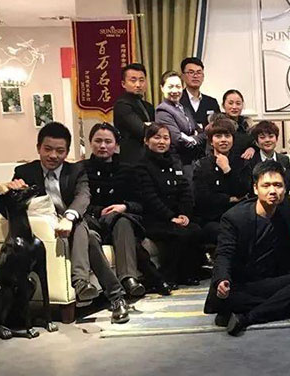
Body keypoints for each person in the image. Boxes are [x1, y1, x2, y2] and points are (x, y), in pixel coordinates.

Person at [8, 122, 129, 324]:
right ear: (38, 148)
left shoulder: (76, 171)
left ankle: (83, 283)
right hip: (47, 227)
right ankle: (113, 296)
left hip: (74, 222)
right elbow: (7, 207)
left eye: (60, 151)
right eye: (48, 149)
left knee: (79, 224)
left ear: (66, 152)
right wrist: (14, 191)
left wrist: (68, 218)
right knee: (89, 238)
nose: (53, 155)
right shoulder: (24, 172)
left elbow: (83, 196)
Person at [204, 161, 290, 336]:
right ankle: (285, 307)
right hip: (242, 284)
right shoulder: (234, 218)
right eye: (266, 185)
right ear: (256, 188)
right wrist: (222, 280)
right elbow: (224, 254)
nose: (273, 191)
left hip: (270, 282)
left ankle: (247, 317)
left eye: (278, 185)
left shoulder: (288, 210)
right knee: (229, 298)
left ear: (285, 189)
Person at [80, 123, 170, 298]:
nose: (103, 146)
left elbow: (140, 203)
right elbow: (78, 200)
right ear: (90, 143)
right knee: (122, 233)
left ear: (116, 145)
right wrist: (100, 211)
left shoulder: (128, 170)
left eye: (108, 141)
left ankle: (129, 279)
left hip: (122, 222)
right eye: (98, 141)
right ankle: (151, 279)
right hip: (93, 221)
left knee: (122, 221)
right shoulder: (81, 169)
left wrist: (125, 206)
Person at [137, 123, 204, 286]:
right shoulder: (141, 166)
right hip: (154, 219)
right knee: (177, 234)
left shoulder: (174, 162)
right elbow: (150, 198)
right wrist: (171, 217)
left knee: (195, 229)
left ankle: (189, 274)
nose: (162, 142)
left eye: (165, 138)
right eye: (157, 137)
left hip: (176, 216)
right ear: (146, 141)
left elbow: (185, 191)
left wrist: (184, 214)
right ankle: (169, 276)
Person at [193, 118, 252, 245]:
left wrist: (227, 169)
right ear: (211, 141)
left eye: (227, 136)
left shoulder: (242, 163)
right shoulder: (201, 165)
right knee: (224, 233)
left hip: (238, 216)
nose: (223, 140)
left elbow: (243, 191)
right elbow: (202, 198)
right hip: (212, 219)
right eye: (218, 136)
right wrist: (229, 199)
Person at [155, 70, 206, 174]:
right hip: (178, 163)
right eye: (170, 87)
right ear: (162, 88)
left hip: (193, 162)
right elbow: (178, 141)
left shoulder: (184, 108)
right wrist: (195, 137)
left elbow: (203, 134)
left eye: (178, 86)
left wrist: (192, 138)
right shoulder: (163, 110)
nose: (175, 90)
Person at [113, 63, 155, 164]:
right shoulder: (122, 105)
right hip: (131, 160)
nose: (138, 85)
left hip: (150, 157)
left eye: (141, 80)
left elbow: (157, 130)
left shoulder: (148, 106)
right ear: (123, 84)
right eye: (133, 80)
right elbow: (142, 130)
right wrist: (151, 126)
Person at [179, 57, 220, 130]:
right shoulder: (177, 100)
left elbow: (218, 128)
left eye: (199, 72)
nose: (195, 76)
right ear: (183, 76)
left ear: (203, 76)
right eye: (191, 72)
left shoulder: (212, 102)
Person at [220, 89, 257, 160]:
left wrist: (253, 148)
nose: (234, 107)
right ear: (223, 105)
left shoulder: (247, 125)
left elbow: (255, 142)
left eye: (238, 103)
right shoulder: (218, 125)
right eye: (230, 103)